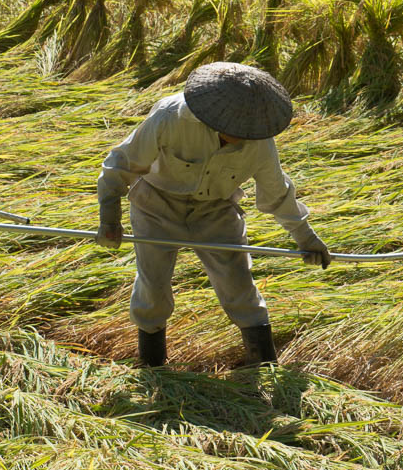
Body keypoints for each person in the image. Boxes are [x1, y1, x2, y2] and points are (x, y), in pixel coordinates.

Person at [96, 62, 330, 367]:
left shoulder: (260, 142)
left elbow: (277, 194)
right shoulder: (170, 116)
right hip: (156, 205)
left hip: (216, 210)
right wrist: (109, 217)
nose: (241, 133)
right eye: (234, 126)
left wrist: (306, 238)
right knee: (153, 287)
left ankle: (263, 369)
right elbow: (122, 162)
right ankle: (154, 368)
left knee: (239, 285)